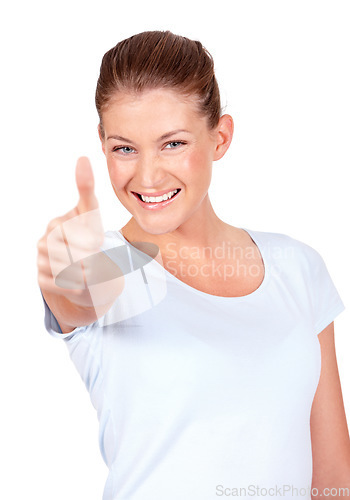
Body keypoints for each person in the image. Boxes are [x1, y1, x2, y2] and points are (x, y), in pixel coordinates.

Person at [36, 30, 350, 499]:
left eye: (173, 144)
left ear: (220, 137)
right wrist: (63, 275)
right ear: (102, 144)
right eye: (125, 148)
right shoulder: (104, 263)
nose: (147, 176)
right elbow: (75, 296)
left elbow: (332, 479)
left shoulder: (296, 267)